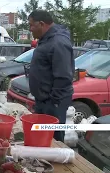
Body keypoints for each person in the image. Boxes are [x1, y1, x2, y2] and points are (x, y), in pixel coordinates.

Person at [28, 10, 74, 142]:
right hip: (44, 100)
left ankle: (57, 162)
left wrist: (53, 102)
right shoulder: (46, 40)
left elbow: (64, 76)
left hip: (53, 103)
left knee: (53, 139)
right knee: (42, 138)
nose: (30, 29)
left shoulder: (58, 42)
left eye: (31, 25)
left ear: (41, 24)